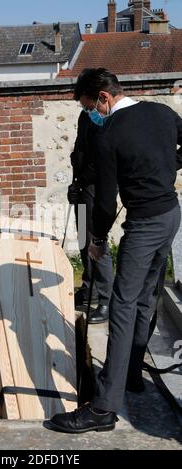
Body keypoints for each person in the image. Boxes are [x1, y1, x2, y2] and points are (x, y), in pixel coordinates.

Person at [50, 68, 182, 434]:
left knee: (122, 308)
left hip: (143, 225)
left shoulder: (108, 134)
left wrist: (95, 241)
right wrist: (167, 168)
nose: (92, 115)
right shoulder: (161, 112)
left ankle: (104, 408)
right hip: (171, 214)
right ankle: (134, 375)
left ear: (104, 98)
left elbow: (106, 204)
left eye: (91, 107)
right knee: (145, 298)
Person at [70, 107, 114, 324]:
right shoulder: (85, 114)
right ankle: (90, 288)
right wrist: (74, 182)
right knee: (82, 239)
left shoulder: (107, 116)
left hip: (97, 187)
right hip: (82, 184)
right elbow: (80, 149)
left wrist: (83, 177)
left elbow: (103, 159)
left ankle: (107, 299)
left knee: (96, 239)